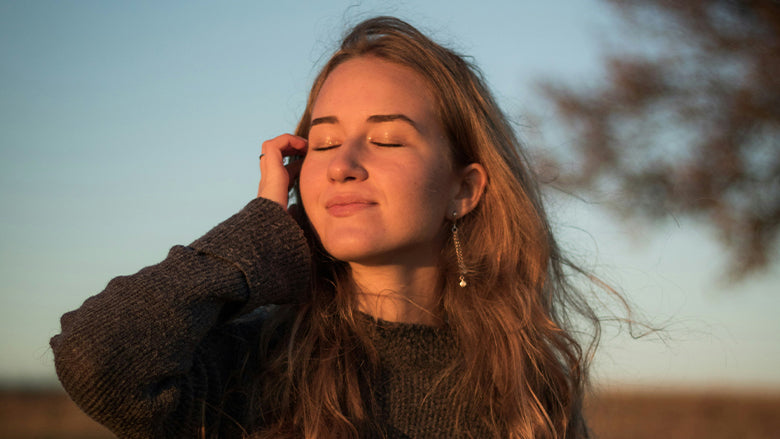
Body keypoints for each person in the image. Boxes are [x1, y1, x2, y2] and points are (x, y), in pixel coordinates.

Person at [52, 16, 603, 438]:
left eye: (387, 140)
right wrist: (260, 238)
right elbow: (96, 357)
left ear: (464, 189)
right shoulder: (250, 367)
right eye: (324, 143)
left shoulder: (529, 392)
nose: (343, 165)